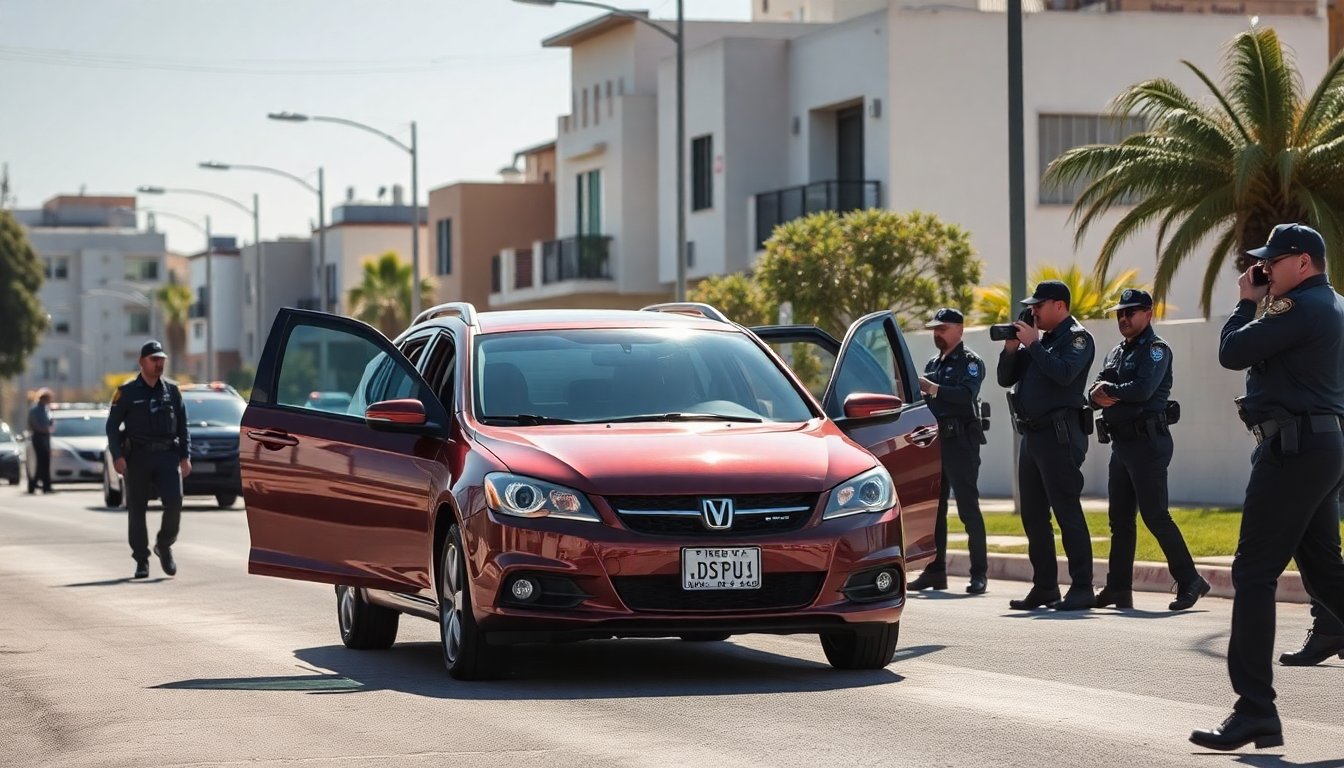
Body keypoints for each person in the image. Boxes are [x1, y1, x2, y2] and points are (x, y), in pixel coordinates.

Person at [1191, 223, 1344, 751]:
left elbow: (1232, 351)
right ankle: (1258, 709)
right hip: (1318, 448)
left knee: (1253, 574)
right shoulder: (1333, 305)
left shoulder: (1304, 309)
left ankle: (1255, 710)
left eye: (1272, 262)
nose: (1262, 271)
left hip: (1294, 451)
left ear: (1303, 262)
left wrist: (1244, 302)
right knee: (1326, 572)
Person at [1088, 289, 1210, 612]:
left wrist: (1110, 392)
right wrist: (1100, 393)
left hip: (1148, 442)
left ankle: (1190, 581)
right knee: (1120, 520)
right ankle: (1118, 588)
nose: (1124, 319)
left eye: (1131, 312)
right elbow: (1094, 391)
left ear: (1149, 313)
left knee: (1155, 515)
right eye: (1120, 314)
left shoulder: (1156, 350)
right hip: (1121, 444)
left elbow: (1142, 390)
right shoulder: (1115, 352)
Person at [997, 280, 1096, 611]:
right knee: (1033, 516)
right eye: (1032, 307)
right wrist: (1012, 348)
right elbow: (1004, 378)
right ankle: (1045, 586)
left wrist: (1034, 345)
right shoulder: (1038, 341)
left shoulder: (1077, 339)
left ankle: (1082, 586)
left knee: (1066, 510)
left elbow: (1065, 374)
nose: (1033, 311)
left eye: (1039, 306)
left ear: (1060, 306)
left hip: (1060, 434)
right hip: (1032, 435)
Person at [909, 308, 989, 594]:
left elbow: (966, 396)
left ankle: (979, 573)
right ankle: (935, 571)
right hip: (935, 443)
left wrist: (934, 389)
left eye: (943, 328)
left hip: (961, 443)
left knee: (968, 508)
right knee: (935, 511)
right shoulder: (934, 362)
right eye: (935, 329)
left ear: (960, 329)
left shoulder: (970, 362)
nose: (937, 333)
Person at [105, 341, 191, 580]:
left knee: (174, 501)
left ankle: (164, 544)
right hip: (138, 457)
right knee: (137, 509)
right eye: (154, 359)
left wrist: (185, 456)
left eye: (161, 359)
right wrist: (117, 456)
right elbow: (112, 426)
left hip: (167, 455)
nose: (159, 363)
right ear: (142, 362)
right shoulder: (127, 392)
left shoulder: (172, 391)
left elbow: (183, 427)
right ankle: (141, 560)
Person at [26, 389, 54, 494]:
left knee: (45, 462)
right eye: (48, 398)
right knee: (38, 463)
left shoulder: (46, 409)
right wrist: (42, 429)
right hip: (38, 437)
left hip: (46, 437)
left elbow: (50, 422)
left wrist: (50, 428)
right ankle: (32, 485)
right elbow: (33, 423)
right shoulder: (35, 409)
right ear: (43, 398)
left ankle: (46, 486)